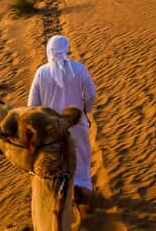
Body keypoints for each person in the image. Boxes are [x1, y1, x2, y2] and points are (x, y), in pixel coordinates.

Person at [28, 35, 96, 194]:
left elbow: (32, 105)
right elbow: (91, 94)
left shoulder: (41, 72)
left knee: (52, 159)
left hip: (50, 127)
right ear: (67, 49)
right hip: (76, 123)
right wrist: (85, 111)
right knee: (81, 154)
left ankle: (57, 189)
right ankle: (82, 186)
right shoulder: (80, 69)